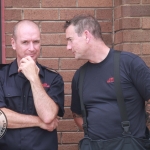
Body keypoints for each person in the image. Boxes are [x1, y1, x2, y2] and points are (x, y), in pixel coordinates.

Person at [64, 15, 150, 141]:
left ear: (86, 36)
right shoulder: (79, 76)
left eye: (70, 40)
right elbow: (77, 115)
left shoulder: (129, 63)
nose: (68, 47)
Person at [0, 20, 64, 150]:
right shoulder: (1, 76)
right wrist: (39, 122)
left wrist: (34, 78)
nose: (32, 48)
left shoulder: (53, 78)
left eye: (36, 42)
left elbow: (48, 116)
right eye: (25, 42)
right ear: (13, 43)